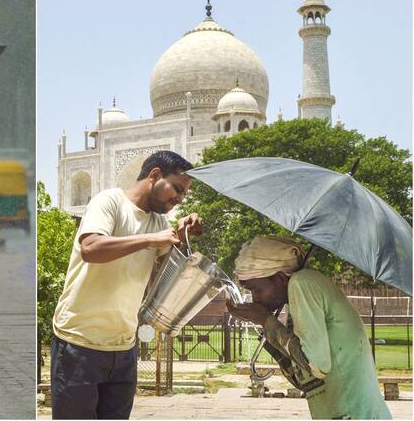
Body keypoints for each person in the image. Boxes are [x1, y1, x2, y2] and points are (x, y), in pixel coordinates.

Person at [50, 150, 203, 419]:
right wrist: (151, 239)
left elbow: (159, 281)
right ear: (155, 175)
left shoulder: (158, 221)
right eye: (176, 189)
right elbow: (91, 248)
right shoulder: (109, 201)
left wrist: (179, 238)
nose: (179, 199)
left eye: (184, 195)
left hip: (123, 348)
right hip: (79, 343)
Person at [226, 236, 392, 419]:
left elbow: (317, 366)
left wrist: (266, 321)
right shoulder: (301, 292)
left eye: (256, 290)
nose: (255, 299)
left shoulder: (302, 283)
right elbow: (306, 381)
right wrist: (266, 325)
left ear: (280, 278)